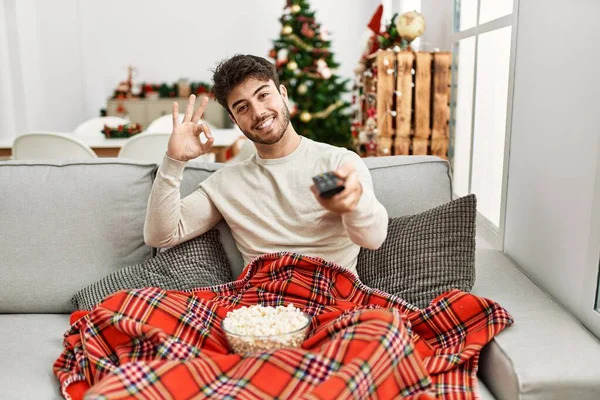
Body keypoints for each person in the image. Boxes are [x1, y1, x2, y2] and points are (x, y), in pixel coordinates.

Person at [144, 54, 388, 275]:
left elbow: (373, 238)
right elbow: (160, 235)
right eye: (243, 107)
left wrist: (353, 206)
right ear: (234, 118)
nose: (258, 112)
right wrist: (174, 161)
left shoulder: (338, 162)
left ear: (283, 93)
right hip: (261, 306)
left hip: (336, 298)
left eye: (263, 95)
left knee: (386, 325)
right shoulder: (227, 182)